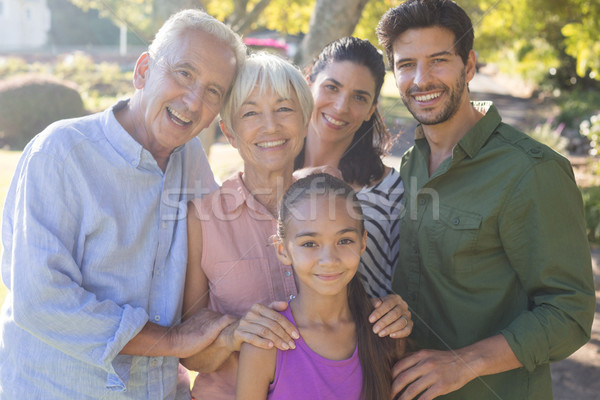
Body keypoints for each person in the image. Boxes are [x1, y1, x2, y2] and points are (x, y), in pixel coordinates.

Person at [0, 9, 247, 399]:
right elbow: (41, 299)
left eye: (214, 91)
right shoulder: (60, 153)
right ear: (143, 71)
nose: (194, 99)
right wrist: (173, 341)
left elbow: (228, 250)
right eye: (184, 72)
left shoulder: (191, 161)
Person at [375, 0, 596, 399]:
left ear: (470, 65)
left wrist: (465, 362)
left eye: (438, 60)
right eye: (406, 64)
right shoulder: (411, 162)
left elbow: (570, 311)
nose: (421, 79)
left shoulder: (531, 170)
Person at [181, 53, 411, 400]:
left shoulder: (330, 189)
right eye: (250, 113)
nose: (270, 125)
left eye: (284, 109)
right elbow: (188, 350)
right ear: (228, 131)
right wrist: (233, 335)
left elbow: (350, 293)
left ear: (305, 122)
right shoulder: (202, 219)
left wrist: (391, 310)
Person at [235, 173, 404, 400]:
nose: (329, 259)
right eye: (310, 244)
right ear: (282, 250)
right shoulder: (266, 343)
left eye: (344, 241)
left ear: (363, 242)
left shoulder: (386, 330)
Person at [294, 37, 404, 299]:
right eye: (332, 87)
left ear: (371, 110)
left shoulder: (390, 190)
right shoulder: (271, 166)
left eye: (359, 97)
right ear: (309, 84)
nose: (341, 107)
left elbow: (402, 291)